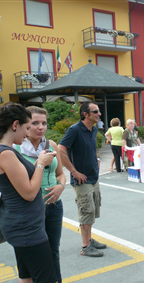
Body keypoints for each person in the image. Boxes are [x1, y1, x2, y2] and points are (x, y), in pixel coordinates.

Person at [0, 103, 77, 283]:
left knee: (26, 278)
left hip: (20, 225)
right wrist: (40, 163)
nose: (28, 133)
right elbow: (27, 192)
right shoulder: (5, 153)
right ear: (15, 125)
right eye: (26, 127)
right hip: (27, 227)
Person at [14, 106, 79, 283]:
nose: (40, 127)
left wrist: (60, 186)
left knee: (53, 251)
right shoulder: (15, 149)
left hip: (53, 206)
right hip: (30, 210)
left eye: (44, 123)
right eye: (35, 123)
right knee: (33, 257)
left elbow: (60, 173)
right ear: (25, 125)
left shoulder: (50, 145)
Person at [59, 102, 106, 257]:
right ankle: (85, 246)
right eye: (96, 111)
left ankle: (90, 240)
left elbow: (91, 149)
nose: (99, 114)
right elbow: (61, 149)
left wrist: (97, 161)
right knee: (86, 211)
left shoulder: (92, 130)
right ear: (85, 114)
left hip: (93, 177)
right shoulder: (75, 130)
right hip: (82, 180)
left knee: (92, 211)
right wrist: (74, 171)